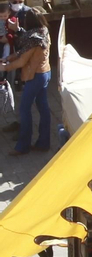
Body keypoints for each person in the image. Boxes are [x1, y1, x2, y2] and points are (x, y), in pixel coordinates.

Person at [0, 8, 51, 154]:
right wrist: (8, 58)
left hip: (35, 76)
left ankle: (23, 146)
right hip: (45, 73)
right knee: (43, 107)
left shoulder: (33, 39)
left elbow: (22, 60)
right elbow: (25, 49)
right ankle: (43, 143)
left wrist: (4, 67)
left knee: (24, 109)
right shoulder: (44, 31)